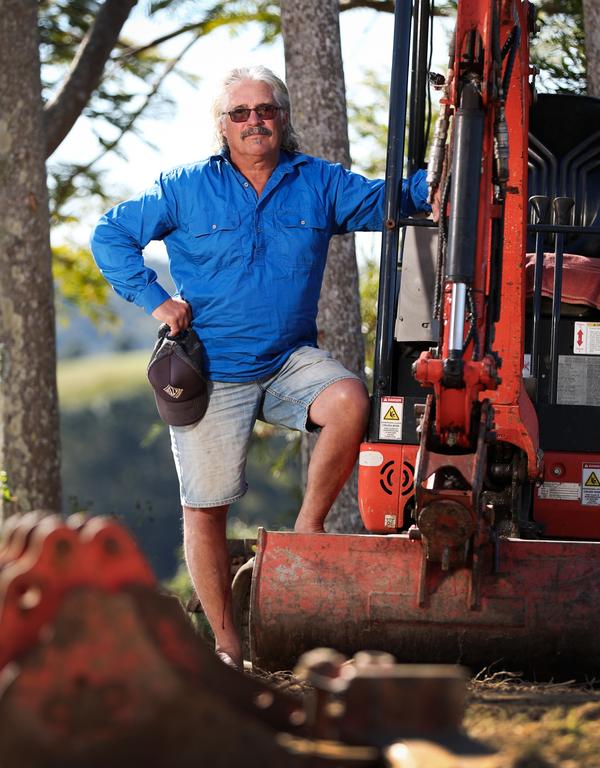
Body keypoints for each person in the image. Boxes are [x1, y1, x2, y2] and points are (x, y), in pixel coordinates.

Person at [91, 65, 430, 668]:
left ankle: (303, 536)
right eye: (241, 113)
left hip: (285, 361)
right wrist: (157, 299)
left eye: (266, 110)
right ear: (222, 127)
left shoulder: (318, 183)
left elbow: (395, 203)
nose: (255, 121)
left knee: (350, 400)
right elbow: (110, 234)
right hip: (211, 369)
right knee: (205, 508)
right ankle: (228, 651)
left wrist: (451, 170)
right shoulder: (185, 187)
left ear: (284, 117)